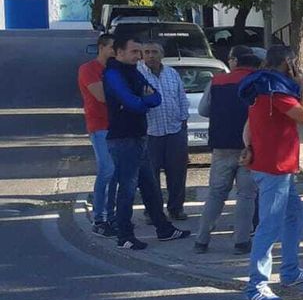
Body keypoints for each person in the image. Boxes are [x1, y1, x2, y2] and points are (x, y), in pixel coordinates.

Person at [238, 45, 303, 300]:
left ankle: (290, 271)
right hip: (276, 166)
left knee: (294, 214)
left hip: (270, 163)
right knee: (270, 225)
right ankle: (256, 285)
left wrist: (248, 147)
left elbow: (248, 124)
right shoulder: (277, 89)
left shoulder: (259, 86)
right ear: (288, 64)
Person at [103, 37, 188, 249]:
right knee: (128, 187)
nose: (139, 56)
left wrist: (143, 101)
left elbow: (156, 97)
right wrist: (143, 101)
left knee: (149, 185)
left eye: (139, 52)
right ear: (119, 52)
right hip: (123, 138)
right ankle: (124, 235)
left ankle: (164, 228)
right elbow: (132, 103)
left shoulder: (135, 72)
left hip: (139, 136)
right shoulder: (113, 73)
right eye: (134, 51)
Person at [194, 45, 260, 255]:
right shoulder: (260, 82)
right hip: (250, 147)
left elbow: (203, 110)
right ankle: (241, 241)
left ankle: (202, 240)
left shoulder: (217, 81)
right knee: (246, 195)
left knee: (216, 193)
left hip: (221, 146)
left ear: (235, 62)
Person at [138, 43, 190, 221]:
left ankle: (176, 209)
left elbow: (181, 98)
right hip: (151, 132)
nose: (150, 56)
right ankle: (153, 212)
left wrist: (183, 121)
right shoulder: (138, 74)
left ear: (162, 54)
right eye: (147, 52)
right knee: (150, 175)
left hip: (175, 130)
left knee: (177, 173)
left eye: (154, 52)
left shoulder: (172, 73)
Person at [79, 33, 116, 237]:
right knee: (107, 169)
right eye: (111, 47)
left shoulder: (115, 69)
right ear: (101, 47)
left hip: (118, 126)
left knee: (118, 172)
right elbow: (101, 96)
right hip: (99, 125)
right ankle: (99, 216)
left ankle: (112, 215)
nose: (114, 52)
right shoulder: (88, 69)